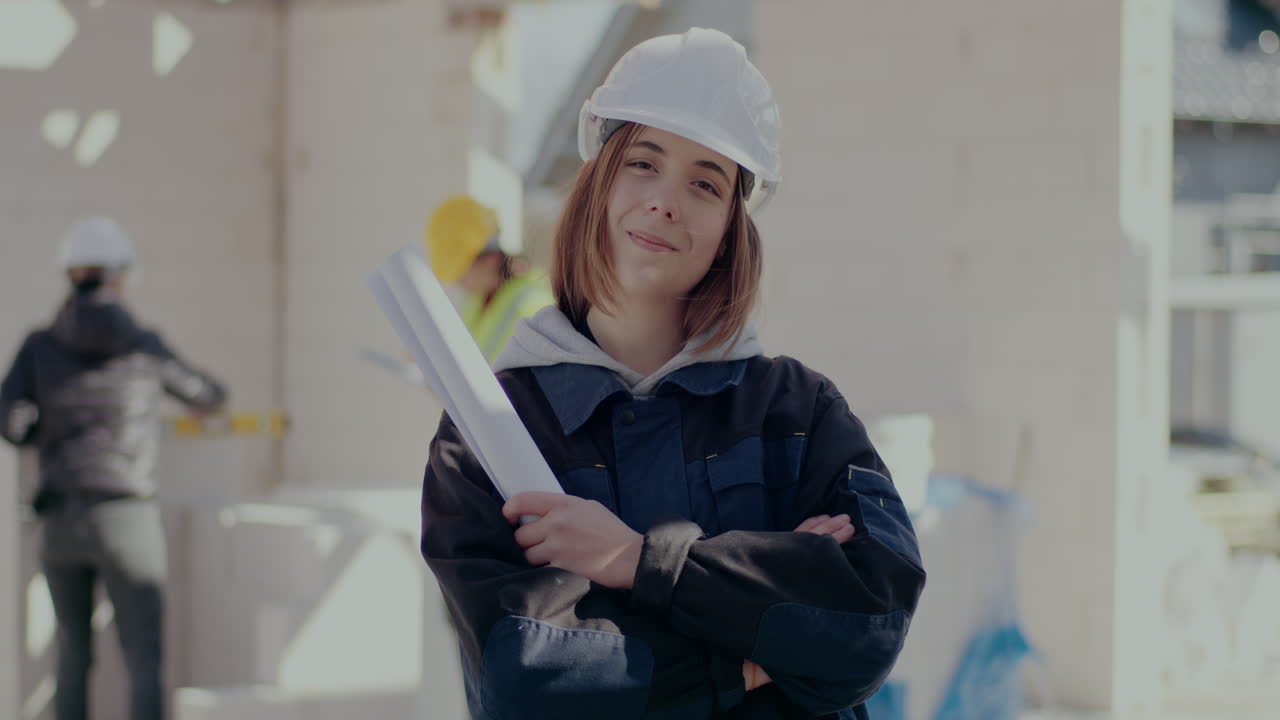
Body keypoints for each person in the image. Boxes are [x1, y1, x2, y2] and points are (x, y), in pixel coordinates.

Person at [420, 28, 925, 720]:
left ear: (729, 232)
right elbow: (529, 679)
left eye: (705, 183)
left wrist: (637, 561)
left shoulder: (799, 413)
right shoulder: (492, 430)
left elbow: (870, 619)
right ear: (599, 182)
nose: (664, 201)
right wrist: (750, 655)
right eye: (643, 163)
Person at [0, 217, 227, 720]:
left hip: (60, 516)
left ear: (69, 275)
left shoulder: (38, 345)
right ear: (120, 277)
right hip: (128, 517)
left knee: (72, 653)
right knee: (144, 659)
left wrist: (53, 429)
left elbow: (12, 424)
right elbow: (207, 395)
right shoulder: (144, 345)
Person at [425, 195, 555, 364]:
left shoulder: (534, 308)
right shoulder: (477, 301)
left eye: (461, 272)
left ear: (490, 259)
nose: (458, 282)